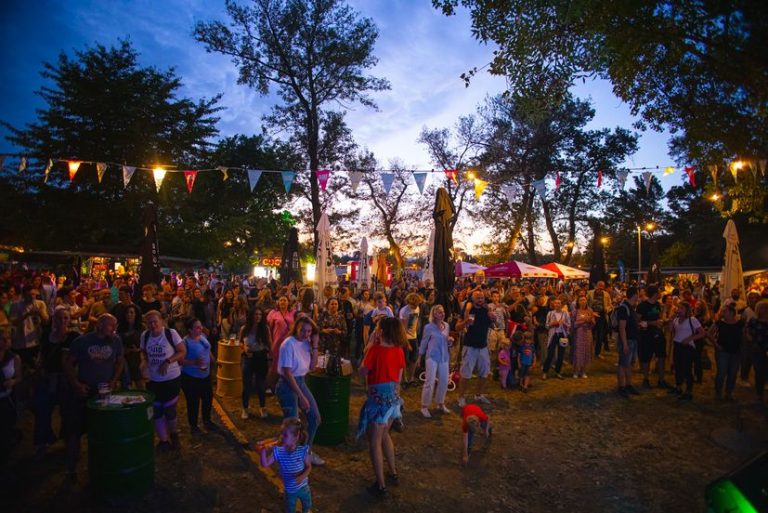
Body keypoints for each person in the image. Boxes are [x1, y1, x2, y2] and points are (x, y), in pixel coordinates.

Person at [62, 314, 124, 478]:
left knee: (104, 429)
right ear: (100, 325)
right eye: (111, 325)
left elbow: (120, 361)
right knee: (75, 430)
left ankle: (102, 465)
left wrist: (114, 381)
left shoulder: (116, 341)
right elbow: (68, 363)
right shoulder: (82, 341)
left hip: (104, 393)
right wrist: (76, 384)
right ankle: (71, 469)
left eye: (115, 325)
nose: (114, 329)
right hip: (85, 391)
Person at [357, 317, 406, 497]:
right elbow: (399, 379)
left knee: (374, 442)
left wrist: (369, 345)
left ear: (381, 331)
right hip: (393, 400)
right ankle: (393, 473)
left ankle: (381, 486)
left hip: (378, 401)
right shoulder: (399, 350)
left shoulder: (375, 350)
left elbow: (362, 370)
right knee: (385, 435)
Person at [276, 317, 324, 466]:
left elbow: (312, 366)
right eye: (302, 330)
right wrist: (301, 397)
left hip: (301, 381)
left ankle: (305, 452)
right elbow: (287, 372)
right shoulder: (288, 344)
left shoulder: (306, 343)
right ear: (296, 328)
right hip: (287, 384)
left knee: (315, 418)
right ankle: (290, 460)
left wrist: (315, 345)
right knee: (293, 427)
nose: (305, 334)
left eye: (309, 331)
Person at [34, 308, 78, 459]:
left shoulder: (73, 336)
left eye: (65, 318)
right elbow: (42, 354)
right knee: (42, 411)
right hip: (48, 378)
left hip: (66, 379)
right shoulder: (46, 335)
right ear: (54, 320)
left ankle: (67, 441)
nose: (62, 321)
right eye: (59, 318)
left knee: (67, 412)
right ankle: (43, 442)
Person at [140, 310, 187, 450]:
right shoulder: (145, 335)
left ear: (161, 321)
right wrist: (143, 362)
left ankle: (174, 434)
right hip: (153, 380)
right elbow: (143, 352)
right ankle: (163, 440)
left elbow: (182, 351)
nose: (152, 325)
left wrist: (168, 361)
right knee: (156, 410)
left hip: (171, 379)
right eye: (149, 322)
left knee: (169, 410)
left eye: (155, 321)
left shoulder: (170, 333)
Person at [259, 418, 313, 513]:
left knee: (307, 504)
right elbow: (265, 464)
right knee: (290, 509)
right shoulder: (278, 451)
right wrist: (263, 451)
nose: (281, 437)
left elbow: (309, 467)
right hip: (289, 490)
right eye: (281, 433)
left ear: (296, 437)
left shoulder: (303, 451)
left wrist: (302, 477)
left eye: (285, 435)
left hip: (303, 487)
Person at [456, 290, 496, 406]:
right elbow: (457, 327)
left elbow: (494, 323)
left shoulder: (486, 310)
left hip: (483, 346)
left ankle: (479, 395)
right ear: (472, 299)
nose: (480, 300)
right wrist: (465, 322)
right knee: (465, 374)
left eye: (482, 298)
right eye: (477, 298)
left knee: (484, 373)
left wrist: (493, 318)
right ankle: (461, 397)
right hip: (470, 346)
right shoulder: (468, 310)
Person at [180, 317, 217, 434]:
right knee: (193, 402)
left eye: (200, 326)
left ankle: (207, 420)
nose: (201, 328)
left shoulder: (202, 336)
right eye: (197, 327)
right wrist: (194, 362)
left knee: (208, 398)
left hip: (205, 375)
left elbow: (207, 350)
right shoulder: (185, 342)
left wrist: (214, 361)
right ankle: (194, 426)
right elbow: (180, 361)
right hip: (191, 378)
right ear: (190, 330)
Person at [418, 304, 453, 417]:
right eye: (439, 312)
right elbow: (424, 342)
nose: (442, 314)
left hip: (444, 357)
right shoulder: (428, 327)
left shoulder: (446, 325)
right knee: (430, 382)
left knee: (444, 381)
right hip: (432, 356)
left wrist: (450, 341)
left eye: (443, 312)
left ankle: (440, 403)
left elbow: (446, 342)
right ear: (434, 314)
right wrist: (420, 356)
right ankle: (424, 406)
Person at [668, 302, 706, 401]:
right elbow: (671, 330)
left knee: (686, 368)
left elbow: (702, 333)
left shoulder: (692, 320)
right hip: (677, 345)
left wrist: (689, 339)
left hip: (687, 347)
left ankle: (689, 391)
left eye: (682, 308)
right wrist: (671, 320)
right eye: (678, 308)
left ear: (687, 310)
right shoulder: (676, 319)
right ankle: (678, 387)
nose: (679, 310)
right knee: (678, 367)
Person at [240, 307, 271, 419]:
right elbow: (240, 342)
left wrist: (270, 357)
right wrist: (244, 349)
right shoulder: (244, 328)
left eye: (260, 314)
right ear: (251, 316)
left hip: (261, 357)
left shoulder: (265, 329)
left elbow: (269, 343)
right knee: (246, 385)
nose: (258, 316)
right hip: (248, 358)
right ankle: (245, 408)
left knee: (260, 385)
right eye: (256, 314)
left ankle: (262, 407)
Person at [636, 286, 668, 388]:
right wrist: (652, 323)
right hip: (646, 335)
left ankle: (661, 380)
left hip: (658, 334)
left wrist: (663, 321)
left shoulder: (658, 305)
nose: (660, 294)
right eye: (659, 292)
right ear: (654, 294)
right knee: (646, 358)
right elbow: (637, 321)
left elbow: (659, 318)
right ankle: (646, 379)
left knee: (661, 356)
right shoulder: (642, 306)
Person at [710, 304, 743, 400]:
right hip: (723, 351)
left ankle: (729, 392)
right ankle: (718, 392)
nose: (722, 313)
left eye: (725, 311)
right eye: (722, 311)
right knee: (721, 372)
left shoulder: (740, 323)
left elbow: (746, 334)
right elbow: (709, 333)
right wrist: (716, 344)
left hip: (736, 352)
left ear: (732, 313)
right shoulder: (719, 323)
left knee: (733, 373)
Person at [0, 329, 22, 467]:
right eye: (1, 339)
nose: (3, 342)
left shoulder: (14, 358)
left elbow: (19, 377)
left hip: (6, 400)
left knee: (5, 431)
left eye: (6, 339)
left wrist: (12, 382)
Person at [616, 287, 640, 398]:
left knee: (629, 363)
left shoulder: (630, 307)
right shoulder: (624, 308)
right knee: (623, 363)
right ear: (634, 295)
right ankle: (621, 386)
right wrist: (625, 343)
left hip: (633, 339)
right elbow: (622, 327)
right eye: (637, 294)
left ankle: (628, 384)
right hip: (627, 340)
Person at [744, 299, 768, 403]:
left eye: (765, 308)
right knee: (759, 371)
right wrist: (750, 339)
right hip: (757, 349)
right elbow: (747, 331)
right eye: (762, 308)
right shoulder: (754, 321)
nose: (764, 310)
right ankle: (759, 393)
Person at [542, 299, 571, 380]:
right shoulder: (550, 313)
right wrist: (552, 324)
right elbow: (546, 325)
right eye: (556, 303)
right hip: (553, 335)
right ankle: (545, 372)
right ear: (553, 305)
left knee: (561, 355)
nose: (557, 304)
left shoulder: (565, 313)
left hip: (562, 335)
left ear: (561, 305)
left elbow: (569, 325)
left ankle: (558, 371)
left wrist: (564, 323)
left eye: (559, 303)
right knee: (550, 354)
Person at [118, 304, 144, 390]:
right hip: (124, 357)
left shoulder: (141, 327)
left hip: (138, 357)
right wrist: (125, 350)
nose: (129, 314)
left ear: (136, 314)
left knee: (139, 383)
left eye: (132, 312)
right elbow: (117, 343)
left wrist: (139, 349)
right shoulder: (120, 327)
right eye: (127, 313)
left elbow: (148, 343)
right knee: (125, 384)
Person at [398, 293, 421, 385]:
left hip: (414, 336)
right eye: (413, 305)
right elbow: (402, 328)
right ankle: (404, 379)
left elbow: (416, 320)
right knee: (403, 359)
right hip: (405, 337)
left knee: (414, 358)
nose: (415, 306)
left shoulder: (417, 308)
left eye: (416, 304)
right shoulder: (404, 311)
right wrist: (407, 342)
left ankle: (411, 378)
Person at [570, 296, 595, 379]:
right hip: (578, 334)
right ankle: (576, 371)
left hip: (587, 333)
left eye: (584, 300)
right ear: (578, 302)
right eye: (581, 300)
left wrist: (590, 320)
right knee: (578, 352)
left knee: (586, 351)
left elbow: (593, 323)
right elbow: (573, 324)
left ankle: (583, 371)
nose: (583, 301)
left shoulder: (590, 310)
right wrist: (584, 320)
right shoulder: (575, 311)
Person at [588, 281, 612, 358]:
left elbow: (610, 305)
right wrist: (591, 312)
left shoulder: (606, 294)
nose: (600, 288)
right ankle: (588, 351)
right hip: (591, 315)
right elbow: (586, 304)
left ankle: (597, 352)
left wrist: (607, 309)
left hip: (602, 315)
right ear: (596, 286)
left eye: (602, 287)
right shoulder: (590, 293)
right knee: (590, 334)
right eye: (599, 286)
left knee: (600, 335)